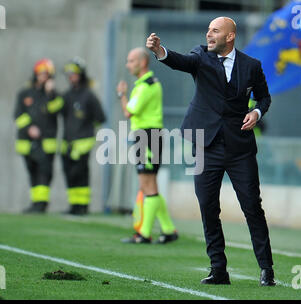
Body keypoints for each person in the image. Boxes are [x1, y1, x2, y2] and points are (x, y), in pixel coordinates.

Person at [146, 17, 275, 285]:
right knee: (208, 207)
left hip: (240, 149)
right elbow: (180, 61)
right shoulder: (200, 56)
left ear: (230, 37)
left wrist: (257, 111)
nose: (209, 35)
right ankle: (219, 270)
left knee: (252, 207)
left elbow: (264, 96)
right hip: (205, 146)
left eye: (215, 31)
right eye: (208, 31)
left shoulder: (251, 66)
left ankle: (267, 269)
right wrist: (160, 51)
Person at [116, 47, 178, 244]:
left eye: (131, 61)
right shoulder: (147, 83)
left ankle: (143, 234)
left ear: (142, 63)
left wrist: (122, 95)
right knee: (150, 185)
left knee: (147, 185)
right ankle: (168, 230)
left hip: (148, 136)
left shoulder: (146, 85)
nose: (128, 65)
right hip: (148, 136)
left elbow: (129, 112)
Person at [14, 58, 63, 213]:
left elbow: (55, 109)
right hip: (26, 142)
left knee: (45, 172)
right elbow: (18, 115)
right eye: (41, 73)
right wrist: (29, 128)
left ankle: (42, 203)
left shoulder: (54, 96)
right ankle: (36, 202)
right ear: (36, 73)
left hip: (46, 142)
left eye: (47, 74)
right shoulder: (25, 93)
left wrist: (50, 93)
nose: (44, 76)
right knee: (32, 171)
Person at [61, 57, 106, 215]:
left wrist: (87, 129)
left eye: (74, 73)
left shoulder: (89, 96)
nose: (71, 76)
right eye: (69, 74)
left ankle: (83, 205)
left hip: (83, 143)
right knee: (69, 174)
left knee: (80, 174)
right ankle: (74, 205)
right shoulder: (67, 96)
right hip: (67, 143)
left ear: (81, 74)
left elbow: (101, 117)